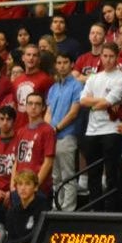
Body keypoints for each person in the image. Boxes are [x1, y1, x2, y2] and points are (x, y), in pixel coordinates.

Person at [45, 54, 81, 211]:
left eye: (65, 62)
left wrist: (57, 128)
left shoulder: (77, 85)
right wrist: (48, 129)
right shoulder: (53, 88)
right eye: (58, 63)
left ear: (72, 64)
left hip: (67, 134)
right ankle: (56, 207)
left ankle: (68, 209)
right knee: (55, 176)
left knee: (68, 175)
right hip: (51, 136)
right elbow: (48, 111)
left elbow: (74, 112)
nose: (61, 66)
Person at [12, 91, 56, 200]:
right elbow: (16, 160)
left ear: (43, 108)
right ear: (26, 106)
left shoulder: (48, 130)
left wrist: (35, 185)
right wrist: (13, 184)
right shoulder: (21, 131)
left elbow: (48, 161)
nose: (33, 107)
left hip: (38, 189)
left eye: (37, 104)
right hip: (20, 186)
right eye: (30, 103)